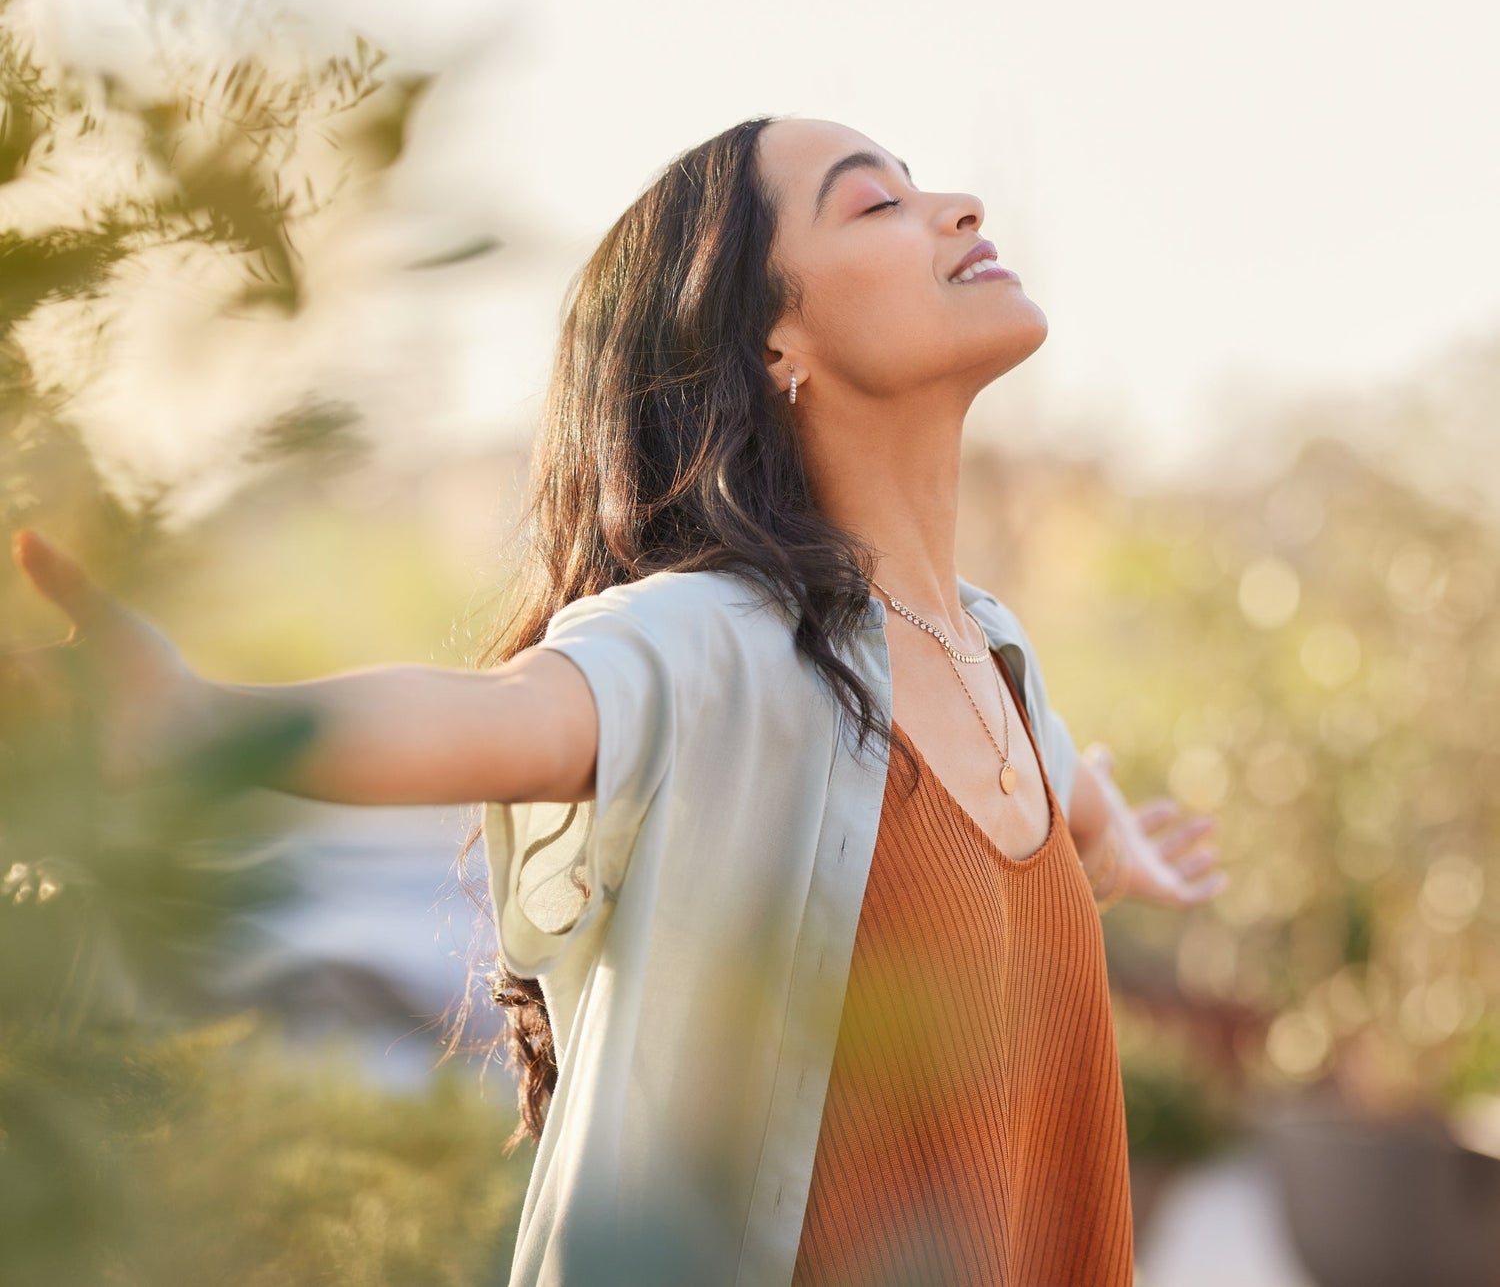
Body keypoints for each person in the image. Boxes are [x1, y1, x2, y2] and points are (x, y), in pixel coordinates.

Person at [5, 114, 1227, 1286]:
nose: (958, 208)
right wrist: (204, 724)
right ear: (771, 345)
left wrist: (1102, 833)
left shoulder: (996, 657)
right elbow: (502, 720)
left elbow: (1039, 793)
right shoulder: (719, 642)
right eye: (876, 202)